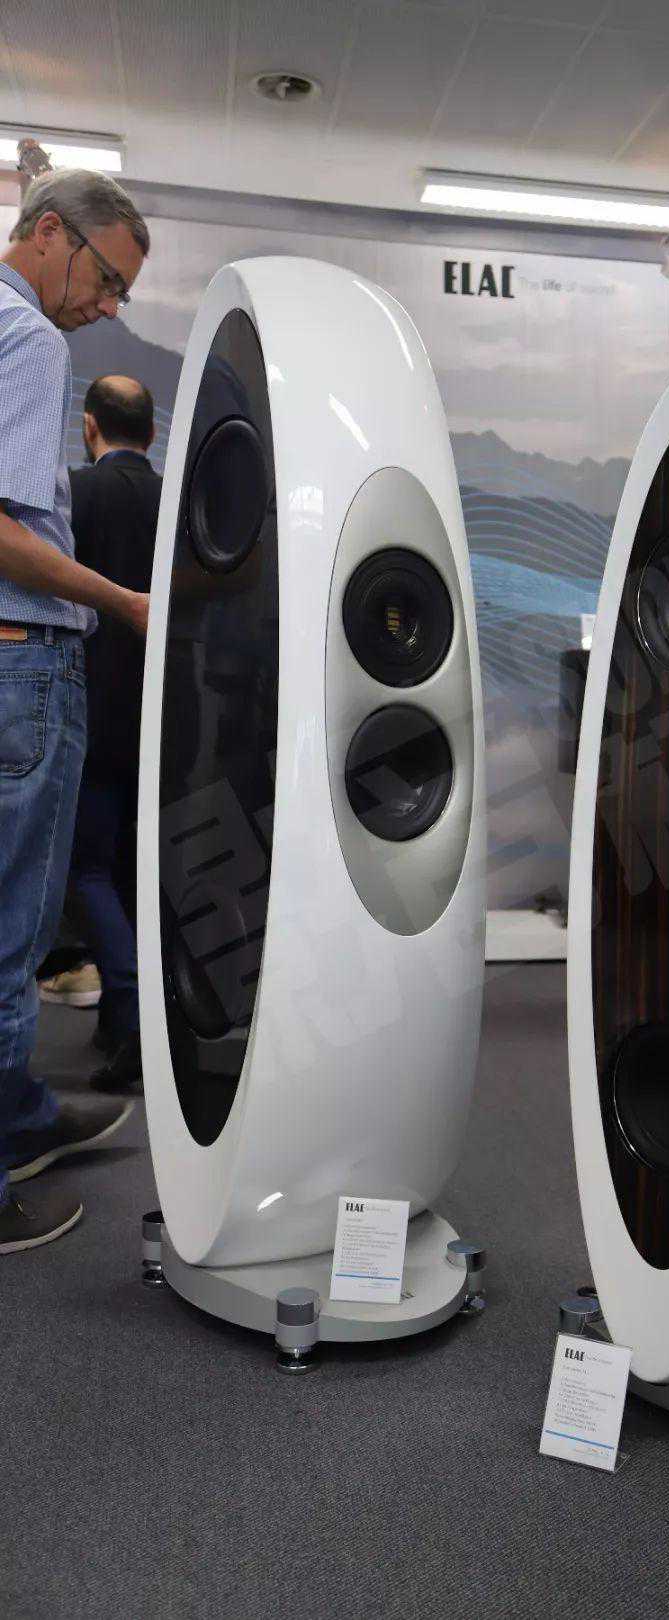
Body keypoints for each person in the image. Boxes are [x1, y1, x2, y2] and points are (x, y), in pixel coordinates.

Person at [0, 169, 150, 1255]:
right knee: (15, 934)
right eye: (106, 279)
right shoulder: (30, 341)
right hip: (27, 664)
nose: (107, 306)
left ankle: (24, 1115)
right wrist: (124, 603)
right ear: (50, 232)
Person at [69, 376, 162, 1093]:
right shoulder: (178, 500)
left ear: (89, 427)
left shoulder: (74, 494)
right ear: (152, 434)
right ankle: (135, 1021)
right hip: (164, 716)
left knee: (88, 871)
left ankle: (129, 1014)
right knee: (140, 873)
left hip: (90, 709)